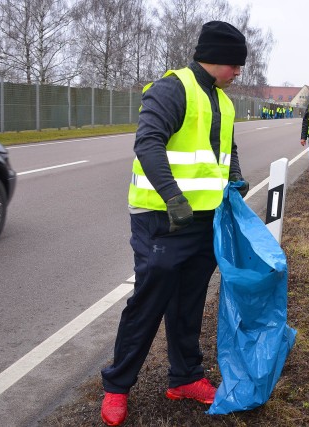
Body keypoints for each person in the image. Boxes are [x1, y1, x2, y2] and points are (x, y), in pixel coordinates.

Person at [100, 21, 249, 427]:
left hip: (204, 219)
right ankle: (116, 386)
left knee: (190, 301)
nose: (238, 72)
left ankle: (185, 377)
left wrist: (234, 176)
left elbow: (227, 145)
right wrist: (173, 198)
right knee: (149, 301)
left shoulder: (223, 99)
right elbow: (148, 143)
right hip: (161, 219)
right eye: (235, 64)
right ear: (217, 58)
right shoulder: (172, 88)